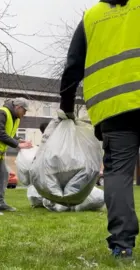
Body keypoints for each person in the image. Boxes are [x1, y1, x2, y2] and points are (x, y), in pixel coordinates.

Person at [59, 0, 140, 258]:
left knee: (118, 174)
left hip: (114, 109)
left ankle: (122, 244)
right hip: (116, 108)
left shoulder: (91, 17)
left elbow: (73, 65)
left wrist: (67, 106)